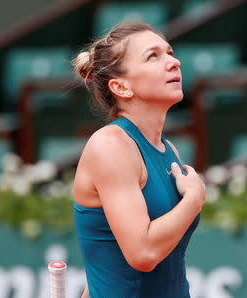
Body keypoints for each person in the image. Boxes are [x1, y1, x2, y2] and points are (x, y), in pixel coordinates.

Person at [72, 22, 206, 298]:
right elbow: (142, 253)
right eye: (153, 56)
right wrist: (193, 200)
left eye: (169, 52)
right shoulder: (110, 146)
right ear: (121, 87)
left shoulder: (169, 150)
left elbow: (108, 262)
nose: (174, 62)